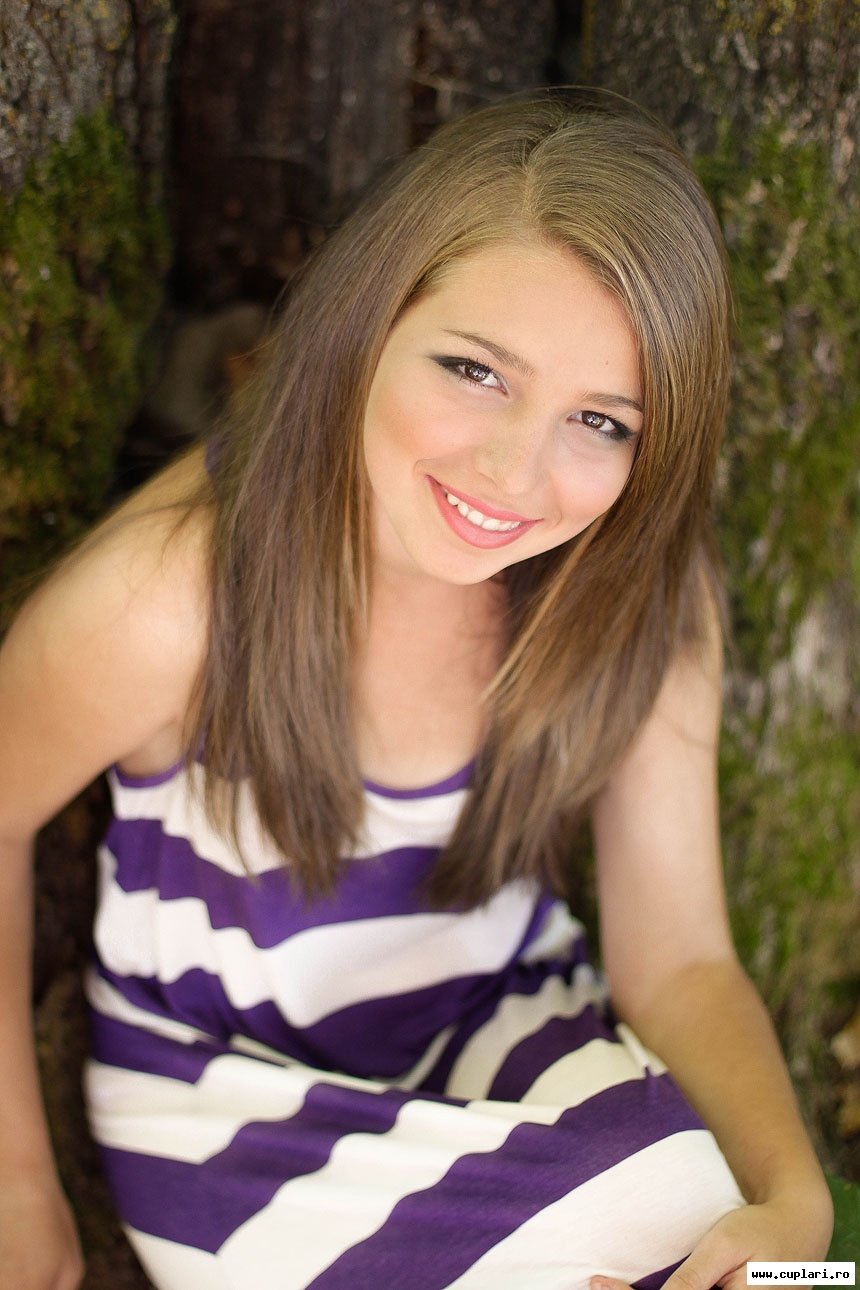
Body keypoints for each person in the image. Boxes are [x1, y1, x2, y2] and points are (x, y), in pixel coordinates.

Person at [0, 91, 834, 1290]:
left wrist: (793, 1198)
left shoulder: (635, 596)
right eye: (474, 370)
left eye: (600, 421)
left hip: (508, 1026)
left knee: (744, 1260)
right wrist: (18, 1179)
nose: (515, 473)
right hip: (237, 1095)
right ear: (366, 318)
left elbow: (677, 956)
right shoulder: (172, 600)